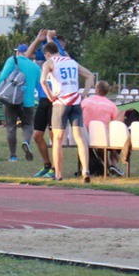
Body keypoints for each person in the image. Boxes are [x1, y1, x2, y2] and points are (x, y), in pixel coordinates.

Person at [40, 41, 95, 182]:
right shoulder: (71, 61)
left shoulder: (50, 62)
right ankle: (85, 171)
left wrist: (50, 96)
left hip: (61, 102)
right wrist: (84, 94)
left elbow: (43, 81)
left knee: (57, 139)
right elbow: (90, 76)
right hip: (75, 102)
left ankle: (58, 174)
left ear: (47, 54)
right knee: (79, 138)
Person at [28, 30, 66, 177]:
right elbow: (28, 55)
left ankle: (55, 169)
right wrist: (38, 39)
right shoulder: (44, 58)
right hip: (44, 99)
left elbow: (60, 54)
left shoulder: (63, 58)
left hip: (55, 100)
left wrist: (50, 38)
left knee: (54, 136)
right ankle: (47, 165)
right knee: (37, 135)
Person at [0, 43, 42, 164]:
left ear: (18, 52)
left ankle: (13, 156)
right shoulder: (35, 67)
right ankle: (26, 141)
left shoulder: (12, 60)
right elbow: (39, 85)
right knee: (28, 124)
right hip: (28, 101)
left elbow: (2, 77)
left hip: (10, 99)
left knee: (11, 127)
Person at [81, 80, 125, 175]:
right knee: (115, 138)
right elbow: (115, 123)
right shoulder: (111, 105)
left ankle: (106, 166)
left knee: (100, 144)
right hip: (102, 137)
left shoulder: (85, 102)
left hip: (85, 135)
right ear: (107, 91)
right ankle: (113, 164)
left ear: (96, 90)